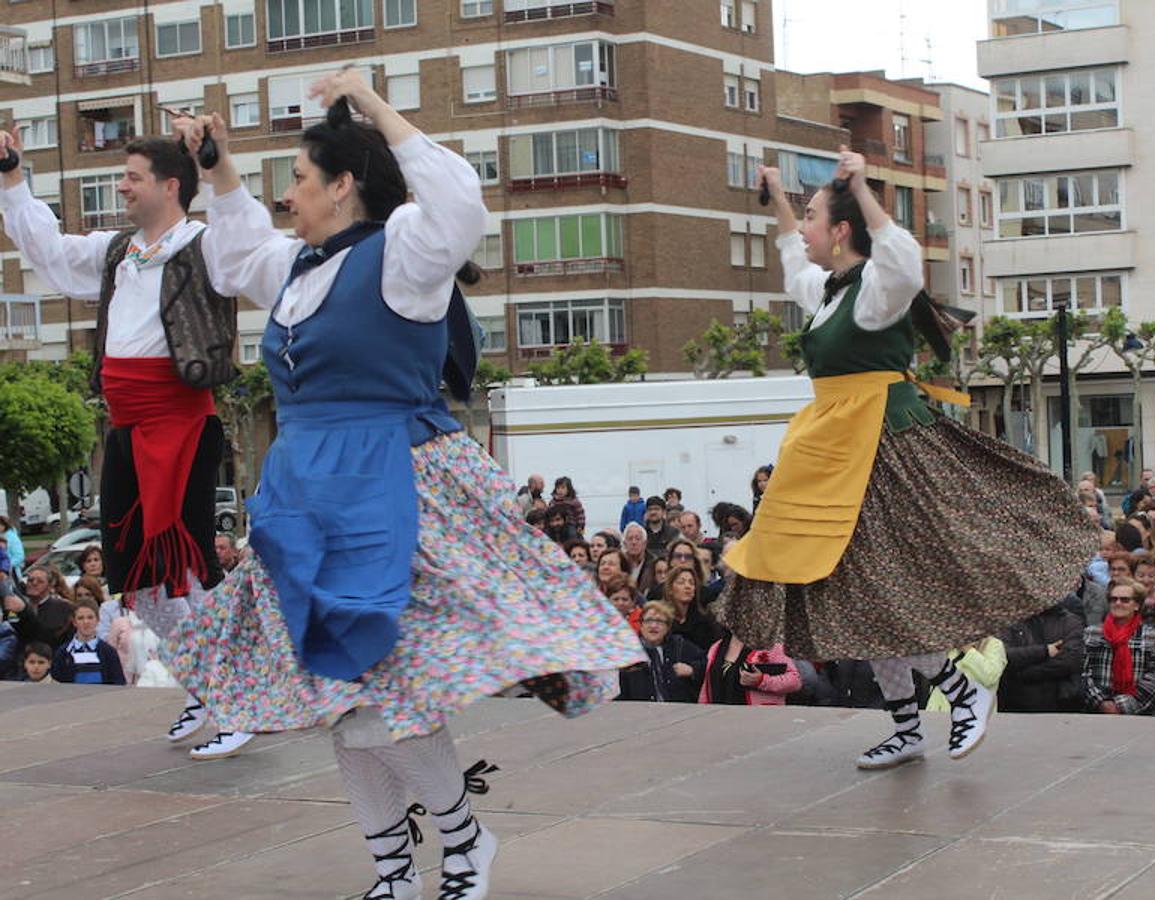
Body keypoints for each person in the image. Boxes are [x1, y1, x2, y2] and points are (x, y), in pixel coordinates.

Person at [160, 73, 643, 900]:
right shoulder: (294, 268)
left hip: (395, 493)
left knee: (381, 697)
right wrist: (218, 171)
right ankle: (393, 869)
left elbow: (458, 203)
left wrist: (374, 109)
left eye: (303, 180)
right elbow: (235, 251)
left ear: (343, 184)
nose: (289, 196)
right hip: (309, 501)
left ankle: (463, 844)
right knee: (342, 707)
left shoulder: (404, 259)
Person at [717, 151, 1098, 770]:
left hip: (879, 452)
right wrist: (779, 197)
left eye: (814, 217)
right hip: (834, 455)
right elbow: (792, 258)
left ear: (841, 231)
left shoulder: (875, 291)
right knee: (854, 599)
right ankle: (907, 725)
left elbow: (903, 260)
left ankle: (957, 687)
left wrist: (862, 187)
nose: (805, 228)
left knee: (880, 595)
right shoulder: (829, 292)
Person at [1, 121, 245, 757]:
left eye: (132, 176)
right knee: (137, 573)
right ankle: (206, 688)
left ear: (169, 185)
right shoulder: (118, 251)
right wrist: (11, 178)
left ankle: (239, 699)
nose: (121, 185)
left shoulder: (204, 244)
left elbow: (247, 241)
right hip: (130, 429)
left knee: (190, 568)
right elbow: (50, 253)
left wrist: (215, 164)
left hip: (183, 423)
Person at [1082, 576, 1155, 715]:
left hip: (1137, 713)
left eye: (1125, 600)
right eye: (1113, 599)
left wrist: (1121, 706)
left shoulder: (1154, 638)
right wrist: (1101, 703)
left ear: (1137, 605)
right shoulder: (1091, 633)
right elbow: (1083, 674)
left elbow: (1154, 678)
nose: (1118, 603)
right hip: (1095, 711)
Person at [996, 597, 1085, 713]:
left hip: (1060, 703)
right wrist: (1044, 651)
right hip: (1015, 703)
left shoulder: (1070, 621)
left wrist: (1025, 673)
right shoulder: (1011, 620)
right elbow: (1003, 655)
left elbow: (1070, 660)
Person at [617, 600, 706, 703]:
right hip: (639, 713)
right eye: (649, 620)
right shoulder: (630, 652)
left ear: (668, 627)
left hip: (677, 712)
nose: (653, 626)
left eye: (659, 621)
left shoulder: (680, 646)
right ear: (641, 625)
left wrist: (692, 670)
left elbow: (705, 664)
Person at [697, 630, 802, 705]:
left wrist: (762, 681)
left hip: (759, 723)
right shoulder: (716, 647)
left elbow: (795, 681)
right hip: (721, 721)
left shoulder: (771, 645)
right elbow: (707, 686)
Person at [52, 599, 127, 686]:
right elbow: (57, 683)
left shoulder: (109, 652)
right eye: (80, 618)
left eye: (90, 617)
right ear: (74, 622)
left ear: (98, 620)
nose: (86, 622)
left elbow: (118, 683)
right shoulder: (63, 652)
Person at [3, 566, 74, 650]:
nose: (34, 583)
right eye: (30, 580)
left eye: (40, 581)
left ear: (50, 585)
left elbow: (48, 634)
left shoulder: (62, 607)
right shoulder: (17, 605)